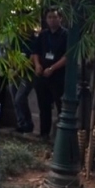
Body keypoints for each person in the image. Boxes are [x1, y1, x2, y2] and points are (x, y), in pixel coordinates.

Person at [33, 7, 68, 140]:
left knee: (60, 106)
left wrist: (52, 68)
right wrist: (37, 65)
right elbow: (35, 52)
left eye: (54, 17)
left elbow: (67, 56)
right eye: (49, 17)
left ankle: (60, 136)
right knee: (44, 106)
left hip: (57, 75)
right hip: (42, 75)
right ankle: (44, 133)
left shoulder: (65, 35)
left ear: (60, 18)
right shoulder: (43, 34)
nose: (52, 20)